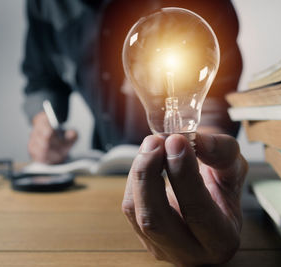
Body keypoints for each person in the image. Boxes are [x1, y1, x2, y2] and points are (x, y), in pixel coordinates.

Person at [22, 0, 248, 265]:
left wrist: (202, 166)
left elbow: (214, 98)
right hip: (98, 185)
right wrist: (44, 125)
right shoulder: (46, 4)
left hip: (176, 169)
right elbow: (41, 79)